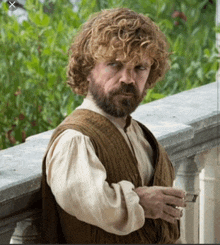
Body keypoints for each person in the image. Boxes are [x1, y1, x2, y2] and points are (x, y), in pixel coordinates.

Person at [41, 7, 186, 244]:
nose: (128, 79)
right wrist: (139, 202)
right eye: (114, 64)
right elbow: (93, 203)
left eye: (139, 68)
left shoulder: (139, 134)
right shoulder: (76, 140)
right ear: (88, 69)